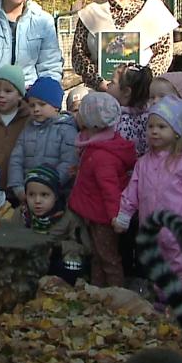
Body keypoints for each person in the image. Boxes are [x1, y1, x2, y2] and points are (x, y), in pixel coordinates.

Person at [113, 95, 182, 301]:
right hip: (152, 230)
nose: (154, 131)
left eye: (161, 126)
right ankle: (163, 303)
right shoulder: (144, 163)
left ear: (176, 132)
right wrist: (124, 214)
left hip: (179, 230)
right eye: (151, 126)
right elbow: (133, 191)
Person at [72, 0, 178, 90]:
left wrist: (141, 84)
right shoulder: (91, 13)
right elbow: (79, 56)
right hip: (102, 95)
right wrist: (99, 83)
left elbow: (163, 55)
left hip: (142, 96)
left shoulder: (154, 9)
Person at [68, 92, 136, 288]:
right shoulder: (99, 145)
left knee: (107, 257)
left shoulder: (102, 156)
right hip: (96, 213)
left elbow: (110, 189)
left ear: (91, 121)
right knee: (98, 255)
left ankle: (116, 294)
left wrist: (116, 216)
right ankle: (98, 292)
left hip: (104, 218)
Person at [7, 77, 77, 203]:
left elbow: (68, 163)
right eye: (32, 105)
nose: (36, 109)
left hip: (57, 196)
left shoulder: (66, 130)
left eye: (42, 104)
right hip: (28, 194)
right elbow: (16, 159)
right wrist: (17, 187)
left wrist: (49, 185)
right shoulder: (28, 129)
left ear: (56, 106)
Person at [23, 164, 91, 285]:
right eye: (31, 195)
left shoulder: (69, 217)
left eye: (44, 195)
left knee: (73, 264)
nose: (37, 201)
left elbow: (85, 247)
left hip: (56, 259)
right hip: (29, 259)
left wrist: (56, 248)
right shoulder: (22, 215)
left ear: (55, 196)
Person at [0, 65, 29, 191]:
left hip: (23, 187)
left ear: (19, 95)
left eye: (8, 91)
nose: (1, 95)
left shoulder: (28, 119)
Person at [106, 64, 152, 156]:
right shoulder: (152, 116)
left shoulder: (121, 124)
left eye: (112, 82)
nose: (107, 84)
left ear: (126, 91)